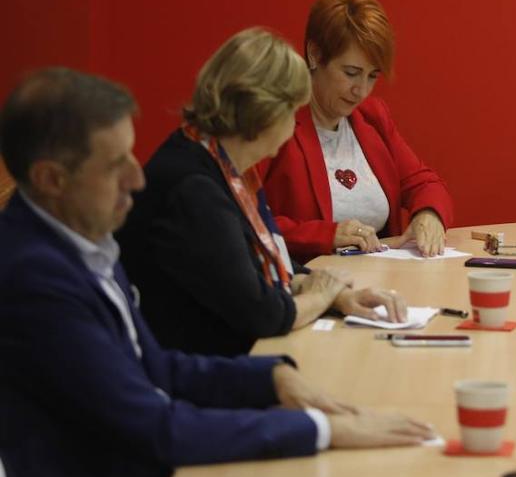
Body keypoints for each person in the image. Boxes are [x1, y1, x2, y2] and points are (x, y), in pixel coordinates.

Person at [0, 68, 434, 477]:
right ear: (52, 179)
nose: (137, 178)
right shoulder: (35, 279)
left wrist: (273, 378)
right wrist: (322, 429)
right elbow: (155, 428)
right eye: (115, 165)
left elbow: (155, 367)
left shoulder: (80, 235)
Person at [118, 28, 411, 357]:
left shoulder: (224, 165)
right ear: (265, 113)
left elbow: (268, 264)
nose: (293, 127)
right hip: (200, 368)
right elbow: (263, 314)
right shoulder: (194, 188)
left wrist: (337, 295)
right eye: (291, 114)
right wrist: (323, 296)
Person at [261, 0, 453, 262]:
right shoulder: (276, 120)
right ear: (315, 54)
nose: (361, 90)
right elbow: (242, 219)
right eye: (351, 73)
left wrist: (429, 215)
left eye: (372, 76)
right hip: (303, 286)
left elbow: (425, 183)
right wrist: (326, 235)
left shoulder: (371, 116)